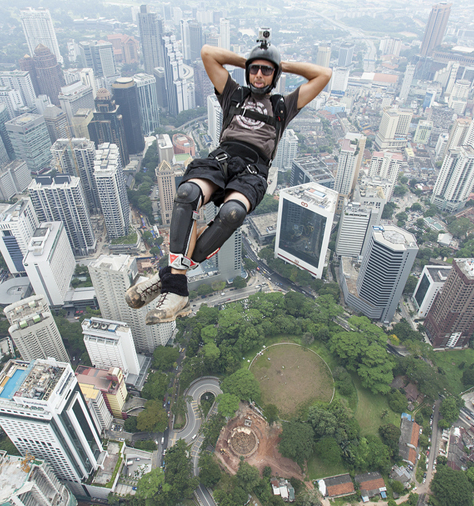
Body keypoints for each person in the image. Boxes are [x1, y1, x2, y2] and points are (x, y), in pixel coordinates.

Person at [127, 33, 331, 324]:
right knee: (187, 195)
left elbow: (324, 74)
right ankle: (175, 286)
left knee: (232, 213)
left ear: (275, 76)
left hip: (253, 171)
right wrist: (250, 59)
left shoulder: (283, 107)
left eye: (266, 70)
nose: (259, 74)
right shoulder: (234, 94)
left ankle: (169, 281)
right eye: (254, 69)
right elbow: (208, 53)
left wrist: (279, 62)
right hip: (221, 160)